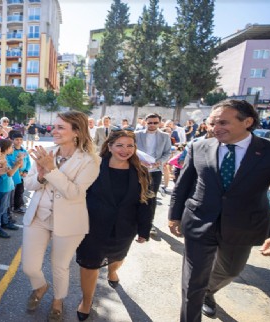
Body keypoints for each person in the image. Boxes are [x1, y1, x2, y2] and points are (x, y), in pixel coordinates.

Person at [168, 99, 270, 322]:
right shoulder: (199, 147)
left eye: (223, 123)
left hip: (243, 226)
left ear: (247, 121)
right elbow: (183, 185)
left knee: (231, 271)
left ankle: (208, 291)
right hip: (199, 222)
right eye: (212, 123)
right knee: (192, 282)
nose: (215, 128)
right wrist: (174, 216)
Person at [22, 111, 99, 321]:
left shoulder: (91, 161)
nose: (53, 131)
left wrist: (51, 169)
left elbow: (74, 193)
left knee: (60, 265)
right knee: (29, 266)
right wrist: (39, 175)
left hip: (69, 222)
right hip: (38, 216)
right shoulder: (44, 151)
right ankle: (40, 286)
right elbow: (28, 185)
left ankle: (58, 300)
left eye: (60, 127)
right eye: (53, 127)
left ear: (76, 132)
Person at [75, 130, 152, 321]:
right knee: (89, 265)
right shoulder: (92, 167)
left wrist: (144, 230)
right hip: (91, 227)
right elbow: (77, 195)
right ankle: (86, 301)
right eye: (119, 145)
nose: (125, 150)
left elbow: (146, 203)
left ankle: (112, 271)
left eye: (130, 146)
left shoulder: (141, 172)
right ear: (109, 147)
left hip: (125, 229)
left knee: (117, 258)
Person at [135, 113, 172, 235]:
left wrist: (159, 162)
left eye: (155, 122)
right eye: (150, 122)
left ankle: (149, 223)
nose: (152, 125)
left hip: (155, 171)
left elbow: (167, 153)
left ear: (160, 123)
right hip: (139, 170)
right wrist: (139, 161)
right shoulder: (137, 135)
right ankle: (134, 221)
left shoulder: (165, 136)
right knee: (135, 196)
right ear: (145, 122)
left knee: (151, 198)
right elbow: (131, 150)